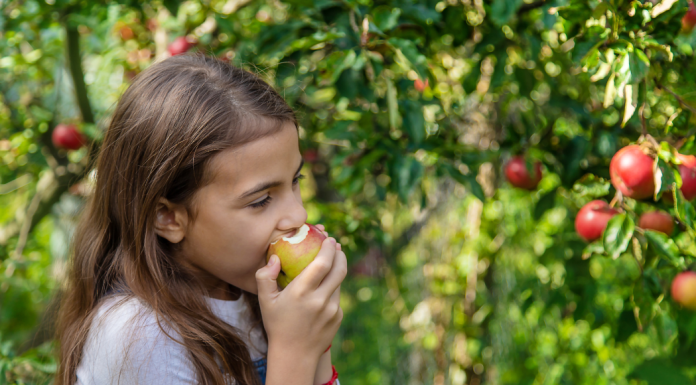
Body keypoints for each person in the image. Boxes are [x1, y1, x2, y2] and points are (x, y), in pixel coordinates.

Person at [55, 54, 346, 385]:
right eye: (261, 200)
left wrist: (316, 344)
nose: (299, 214)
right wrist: (294, 351)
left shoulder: (255, 302)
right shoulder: (141, 337)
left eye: (295, 181)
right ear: (167, 217)